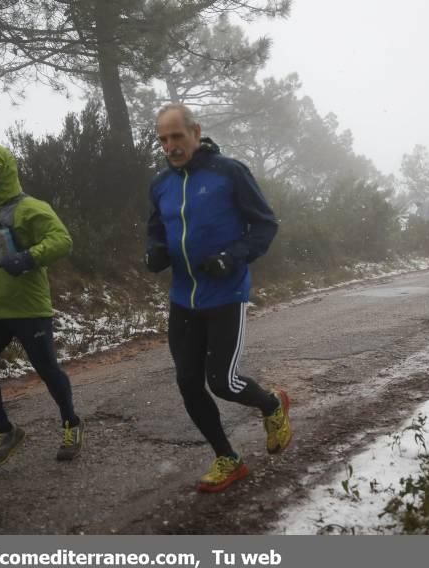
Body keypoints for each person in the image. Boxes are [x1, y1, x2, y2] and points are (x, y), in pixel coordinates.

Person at [145, 103, 292, 493]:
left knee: (222, 382)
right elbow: (156, 231)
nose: (170, 146)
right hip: (183, 298)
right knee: (188, 383)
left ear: (195, 131)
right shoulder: (161, 184)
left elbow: (265, 225)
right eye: (163, 139)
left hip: (226, 293)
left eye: (177, 136)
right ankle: (228, 458)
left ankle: (272, 404)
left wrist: (234, 256)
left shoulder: (229, 172)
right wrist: (154, 252)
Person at [0, 143, 84, 468]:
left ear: (4, 174)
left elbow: (62, 240)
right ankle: (6, 431)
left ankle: (71, 423)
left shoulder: (31, 208)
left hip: (28, 308)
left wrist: (28, 257)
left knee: (47, 370)